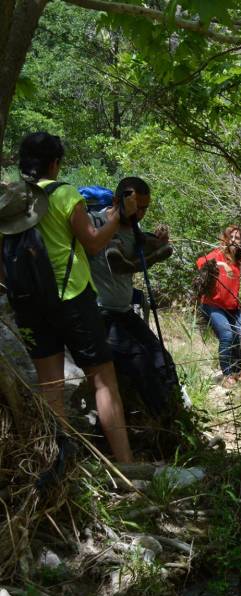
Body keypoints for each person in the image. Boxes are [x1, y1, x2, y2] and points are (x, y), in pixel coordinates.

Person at [2, 132, 136, 462]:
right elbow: (92, 242)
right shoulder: (64, 194)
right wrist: (118, 215)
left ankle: (60, 464)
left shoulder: (10, 200)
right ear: (55, 162)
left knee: (50, 388)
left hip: (29, 304)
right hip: (73, 297)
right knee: (104, 382)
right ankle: (127, 466)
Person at [88, 176, 179, 417]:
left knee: (163, 359)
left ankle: (179, 413)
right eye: (136, 207)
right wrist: (154, 257)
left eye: (145, 208)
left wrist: (160, 244)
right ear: (119, 201)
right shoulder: (96, 222)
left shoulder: (135, 230)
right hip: (99, 312)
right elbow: (119, 265)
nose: (140, 214)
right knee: (140, 360)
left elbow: (159, 248)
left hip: (123, 311)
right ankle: (163, 422)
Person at [196, 225, 241, 387]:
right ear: (225, 239)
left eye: (237, 238)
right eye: (231, 237)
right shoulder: (218, 254)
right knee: (226, 334)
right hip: (213, 304)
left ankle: (237, 371)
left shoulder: (238, 261)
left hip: (233, 307)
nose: (233, 240)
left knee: (238, 335)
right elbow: (200, 262)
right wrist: (221, 265)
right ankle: (227, 374)